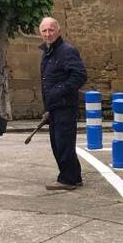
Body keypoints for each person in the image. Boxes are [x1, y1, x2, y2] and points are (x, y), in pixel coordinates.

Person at [38, 17, 87, 190]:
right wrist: (48, 106)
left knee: (63, 143)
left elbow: (79, 75)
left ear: (58, 31)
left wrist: (58, 91)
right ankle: (74, 176)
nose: (47, 33)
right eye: (44, 30)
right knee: (59, 144)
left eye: (51, 30)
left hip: (65, 106)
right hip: (55, 107)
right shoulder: (48, 52)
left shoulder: (66, 50)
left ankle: (68, 179)